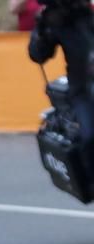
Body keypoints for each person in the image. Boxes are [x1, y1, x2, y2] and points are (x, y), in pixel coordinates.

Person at [29, 0, 94, 171]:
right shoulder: (58, 18)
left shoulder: (87, 11)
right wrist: (43, 29)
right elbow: (38, 54)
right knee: (90, 137)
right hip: (83, 89)